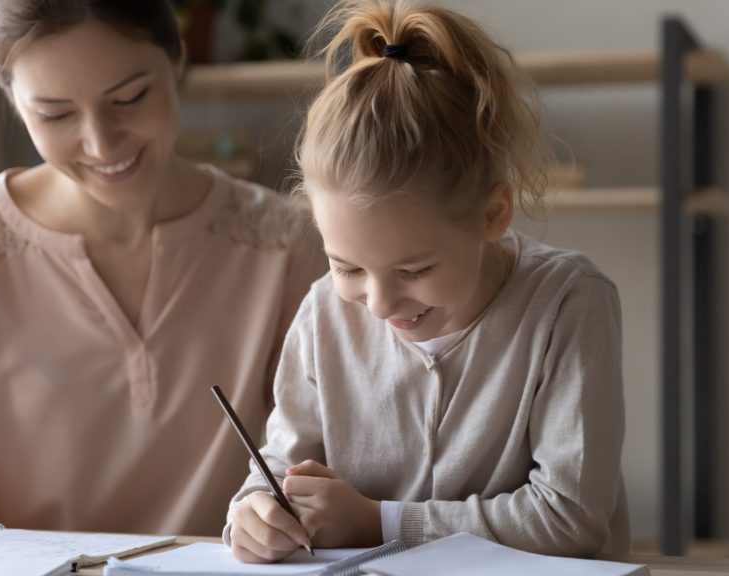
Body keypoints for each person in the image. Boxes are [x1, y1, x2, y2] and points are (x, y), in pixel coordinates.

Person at [0, 0, 324, 536]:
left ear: (178, 58)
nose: (101, 142)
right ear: (11, 97)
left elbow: (314, 476)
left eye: (129, 97)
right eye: (55, 114)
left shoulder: (283, 245)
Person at [225, 0, 631, 562]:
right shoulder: (323, 314)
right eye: (347, 268)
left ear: (493, 213)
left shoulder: (568, 303)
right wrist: (254, 512)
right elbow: (279, 474)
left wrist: (381, 522)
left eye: (414, 270)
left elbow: (570, 517)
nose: (379, 303)